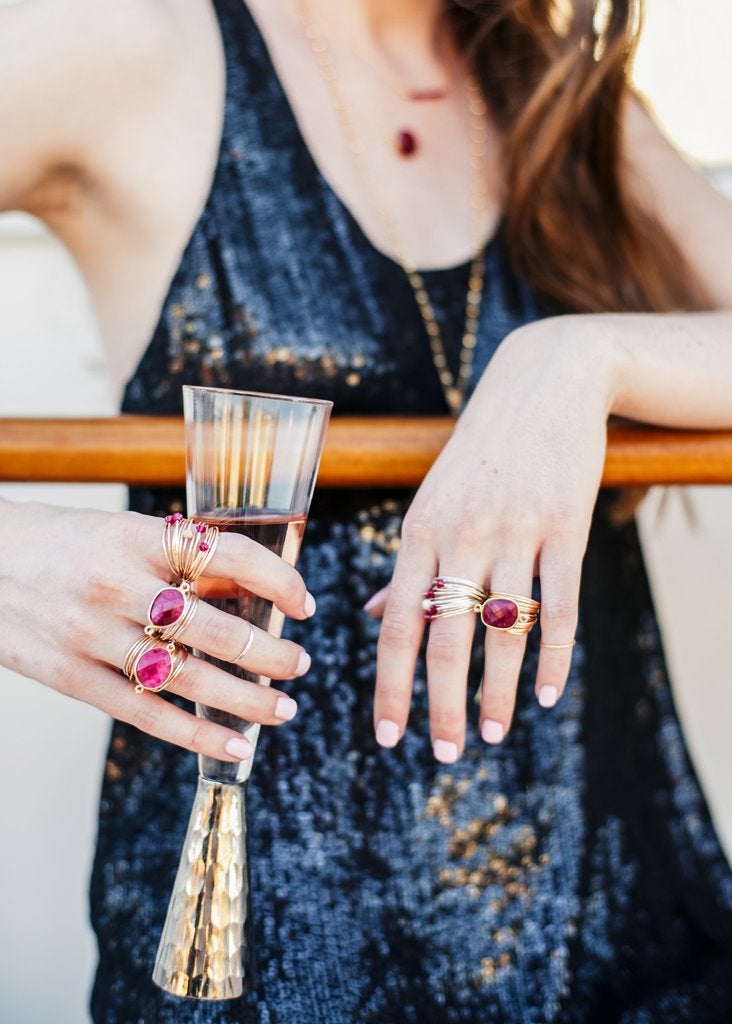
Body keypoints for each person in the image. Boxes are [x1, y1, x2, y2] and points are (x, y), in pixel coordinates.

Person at [2, 0, 731, 1020]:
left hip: (632, 945)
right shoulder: (133, 42)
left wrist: (581, 357)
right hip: (267, 961)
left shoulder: (558, 88)